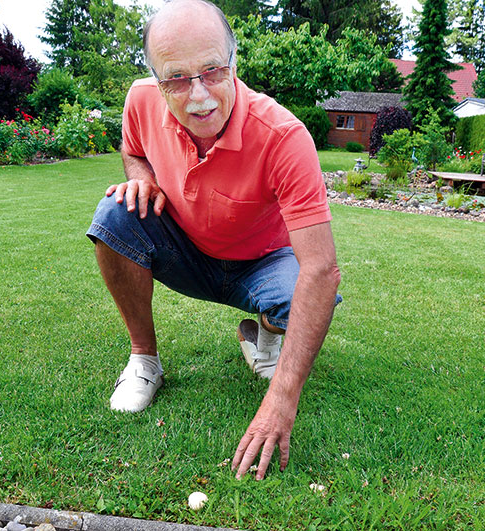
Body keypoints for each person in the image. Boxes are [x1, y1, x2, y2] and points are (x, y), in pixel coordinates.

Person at [86, 0, 341, 480]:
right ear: (156, 79)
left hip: (262, 263)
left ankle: (263, 332)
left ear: (235, 61)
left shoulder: (285, 136)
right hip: (187, 251)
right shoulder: (141, 99)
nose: (198, 96)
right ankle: (145, 360)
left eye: (211, 71)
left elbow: (322, 270)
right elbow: (133, 147)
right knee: (114, 214)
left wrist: (280, 402)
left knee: (303, 300)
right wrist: (141, 177)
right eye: (176, 79)